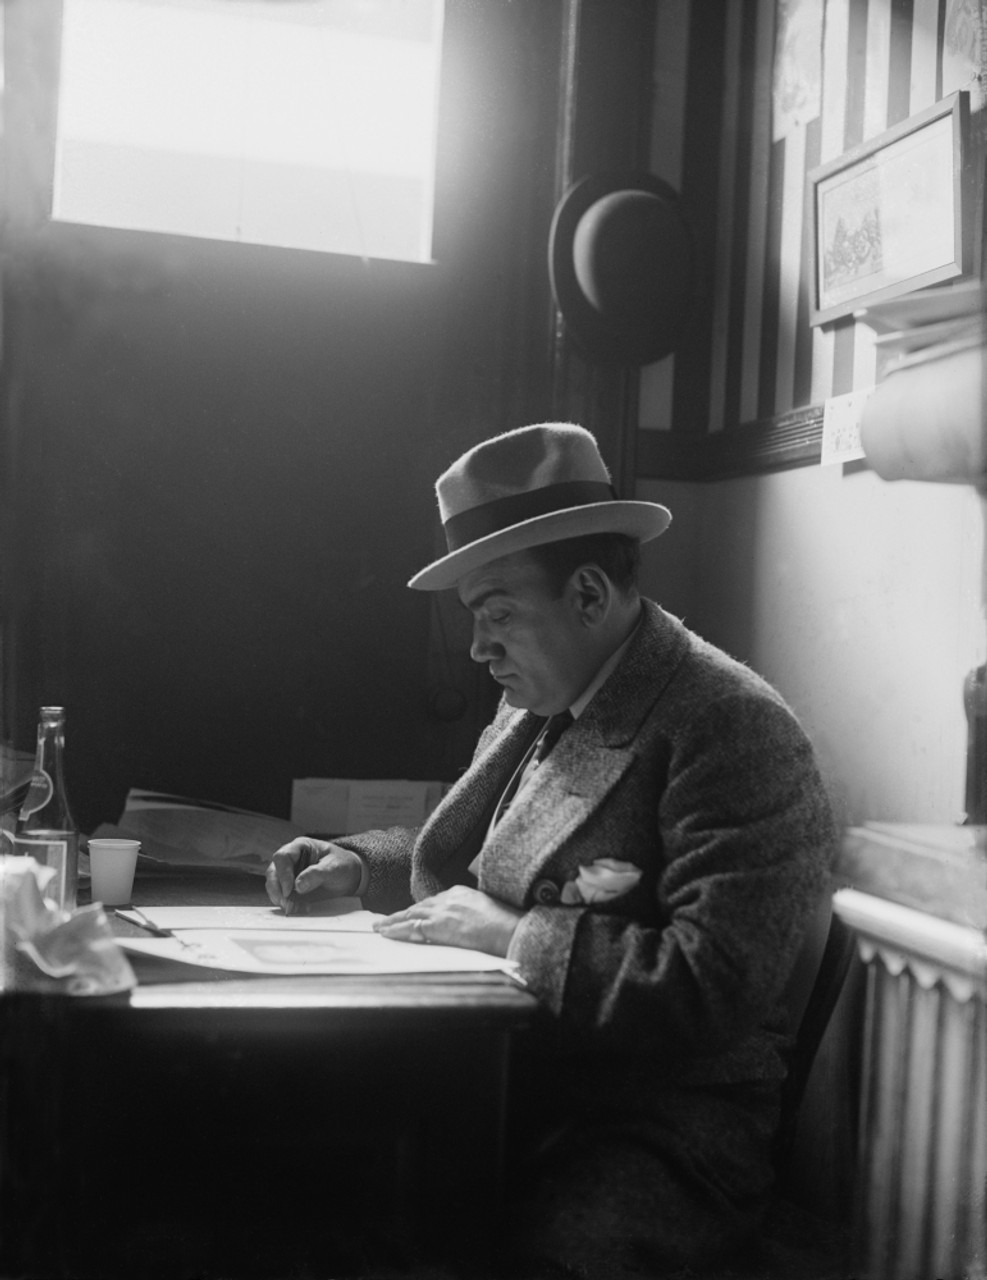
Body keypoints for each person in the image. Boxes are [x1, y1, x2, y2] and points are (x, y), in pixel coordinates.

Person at [266, 422, 837, 1276]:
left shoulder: (728, 725)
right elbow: (479, 863)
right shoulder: (547, 693)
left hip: (661, 1129)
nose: (476, 647)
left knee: (531, 1249)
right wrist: (359, 862)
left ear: (588, 594)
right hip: (512, 1083)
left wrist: (509, 937)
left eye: (497, 614)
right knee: (294, 1174)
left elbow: (712, 984)